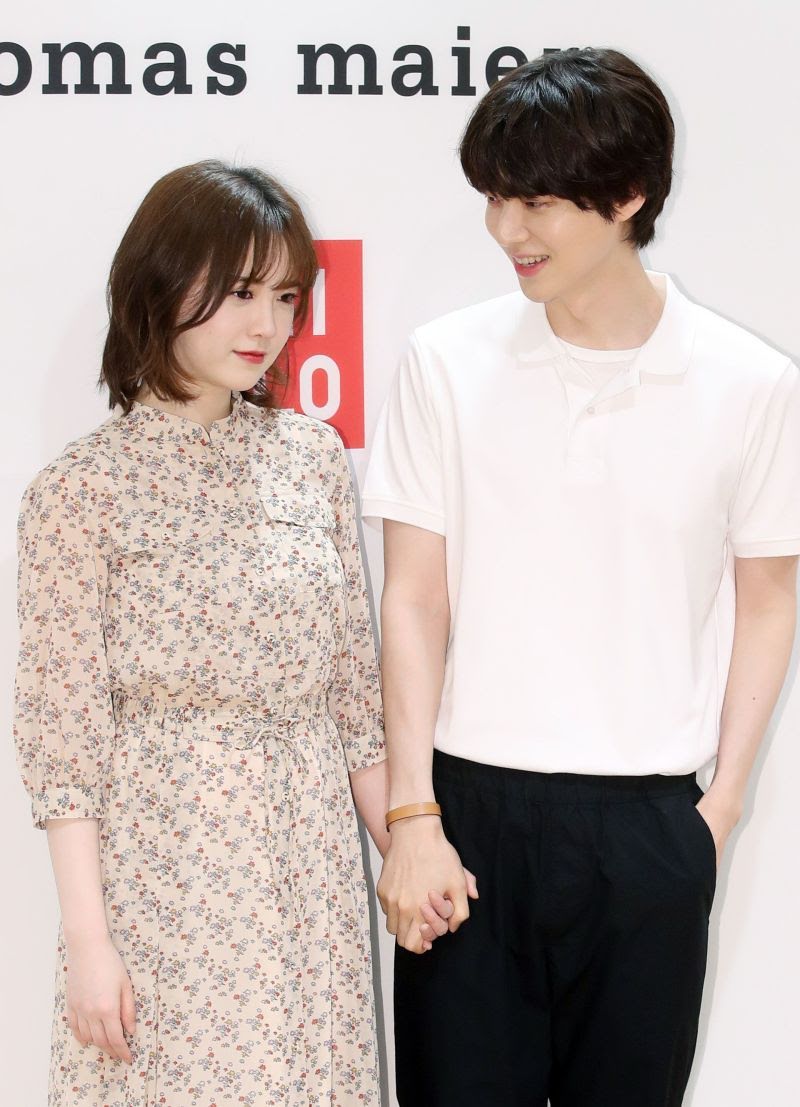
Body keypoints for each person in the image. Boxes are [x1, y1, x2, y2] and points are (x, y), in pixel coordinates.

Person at [361, 48, 800, 1106]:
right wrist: (413, 816)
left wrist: (717, 811)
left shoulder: (750, 385)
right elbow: (413, 596)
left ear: (629, 194)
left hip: (649, 828)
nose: (506, 229)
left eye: (537, 202)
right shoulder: (444, 361)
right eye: (494, 198)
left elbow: (768, 599)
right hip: (467, 819)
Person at [13, 160, 389, 1106]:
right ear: (161, 282)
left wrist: (407, 850)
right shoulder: (79, 493)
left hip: (308, 868)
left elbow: (355, 699)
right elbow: (64, 745)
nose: (267, 325)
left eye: (286, 296)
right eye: (239, 292)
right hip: (167, 877)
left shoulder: (310, 459)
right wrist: (89, 943)